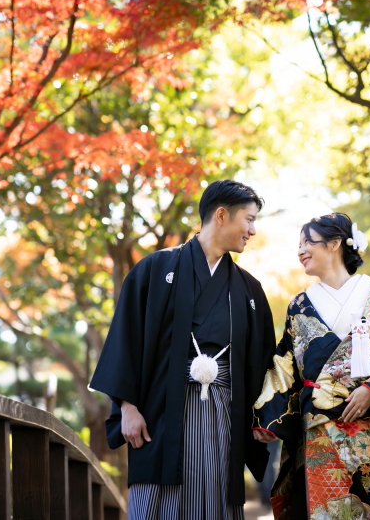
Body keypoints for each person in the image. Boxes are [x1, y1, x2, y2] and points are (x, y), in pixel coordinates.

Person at [90, 180, 276, 520]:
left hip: (224, 412)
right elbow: (126, 339)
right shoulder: (154, 270)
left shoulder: (248, 288)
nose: (253, 230)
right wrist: (128, 407)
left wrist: (266, 417)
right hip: (160, 412)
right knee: (157, 501)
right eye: (249, 219)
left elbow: (266, 362)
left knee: (216, 497)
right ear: (221, 215)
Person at [252, 213, 370, 520]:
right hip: (320, 430)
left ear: (333, 244)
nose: (300, 250)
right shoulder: (300, 305)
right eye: (299, 244)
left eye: (308, 242)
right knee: (326, 509)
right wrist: (267, 416)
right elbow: (285, 363)